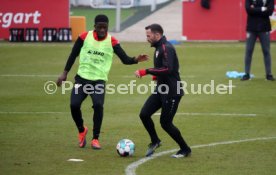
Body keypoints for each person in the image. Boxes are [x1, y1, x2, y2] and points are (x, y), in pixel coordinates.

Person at [56, 14, 148, 149]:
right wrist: (64, 73)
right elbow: (73, 54)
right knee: (74, 105)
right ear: (94, 27)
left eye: (105, 27)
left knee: (98, 105)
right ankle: (82, 130)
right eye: (100, 27)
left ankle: (95, 139)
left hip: (98, 81)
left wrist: (136, 59)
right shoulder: (84, 37)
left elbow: (125, 59)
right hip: (81, 79)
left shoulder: (112, 41)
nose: (102, 30)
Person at [135, 24, 191, 158]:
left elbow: (168, 68)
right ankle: (155, 141)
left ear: (157, 35)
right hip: (161, 89)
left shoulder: (166, 48)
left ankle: (185, 149)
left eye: (148, 36)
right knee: (144, 114)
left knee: (165, 123)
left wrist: (146, 71)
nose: (147, 38)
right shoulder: (158, 48)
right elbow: (162, 69)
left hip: (172, 92)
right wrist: (156, 75)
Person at [241, 0, 275, 81]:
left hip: (264, 28)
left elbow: (270, 11)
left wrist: (255, 9)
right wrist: (263, 9)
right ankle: (246, 74)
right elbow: (248, 10)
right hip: (251, 28)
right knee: (249, 51)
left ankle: (268, 74)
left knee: (266, 51)